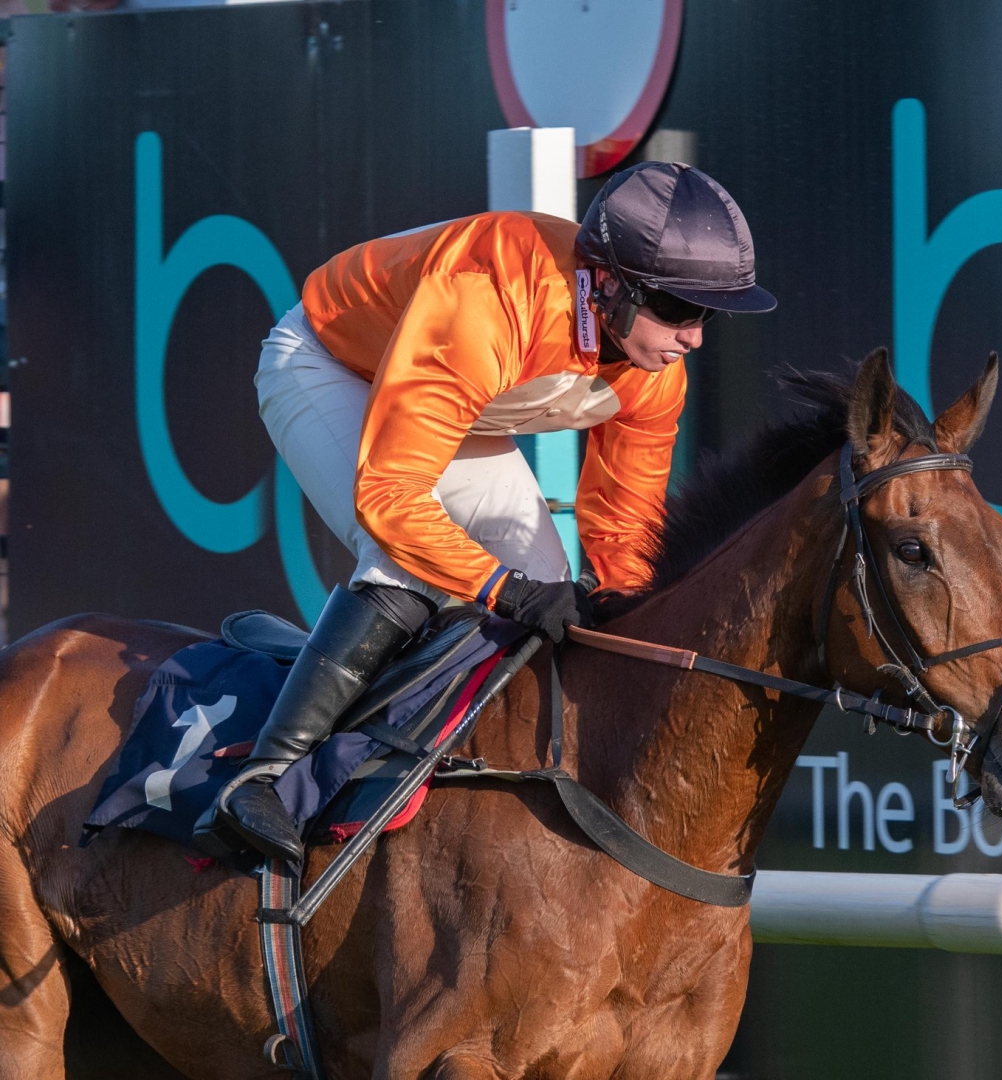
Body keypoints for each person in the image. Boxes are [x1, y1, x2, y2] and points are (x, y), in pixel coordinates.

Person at [194, 161, 776, 863]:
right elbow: (393, 496)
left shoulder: (656, 374)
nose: (695, 337)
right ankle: (264, 775)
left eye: (705, 314)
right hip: (330, 366)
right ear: (609, 283)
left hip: (449, 401)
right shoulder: (490, 298)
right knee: (415, 562)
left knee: (549, 580)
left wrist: (625, 614)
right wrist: (503, 589)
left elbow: (624, 530)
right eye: (679, 310)